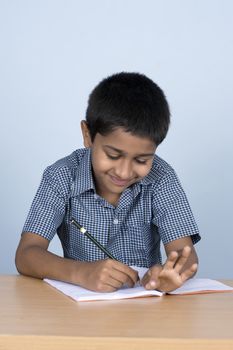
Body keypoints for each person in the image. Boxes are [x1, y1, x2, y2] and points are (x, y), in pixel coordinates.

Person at [15, 72, 201, 293]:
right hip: (77, 313)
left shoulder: (162, 179)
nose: (124, 172)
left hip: (145, 313)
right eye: (113, 155)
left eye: (142, 160)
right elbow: (27, 254)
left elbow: (184, 254)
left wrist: (169, 273)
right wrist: (80, 272)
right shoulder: (61, 176)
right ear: (88, 135)